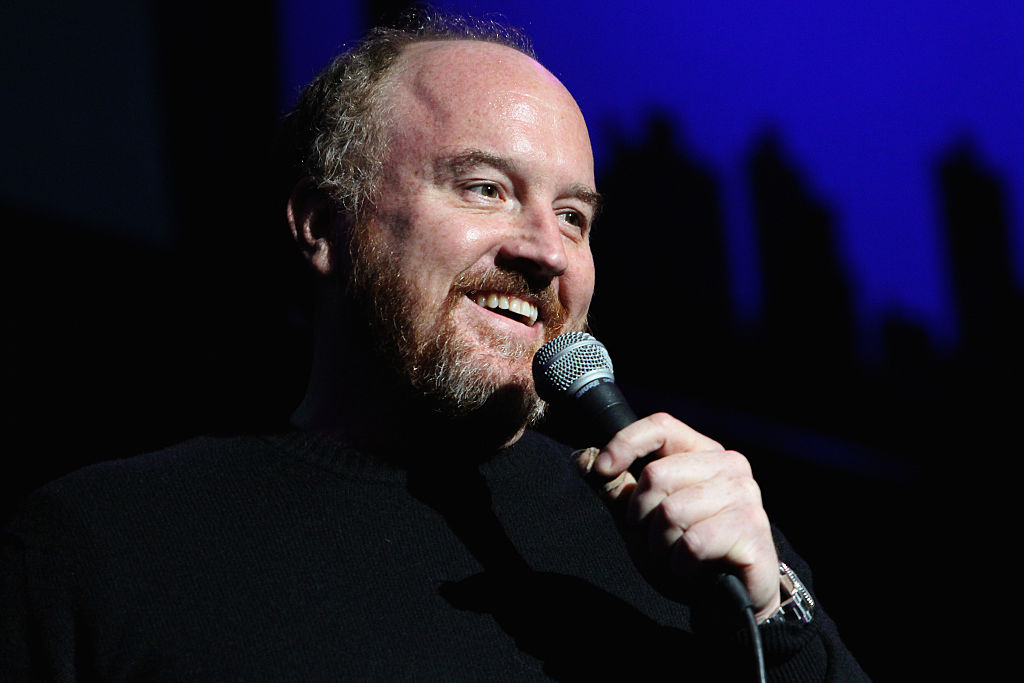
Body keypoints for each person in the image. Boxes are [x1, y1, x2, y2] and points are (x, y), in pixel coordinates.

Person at [1, 11, 867, 681]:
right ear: (320, 224)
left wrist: (773, 620)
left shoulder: (694, 546)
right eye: (487, 188)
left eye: (575, 216)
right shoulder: (105, 545)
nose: (548, 251)